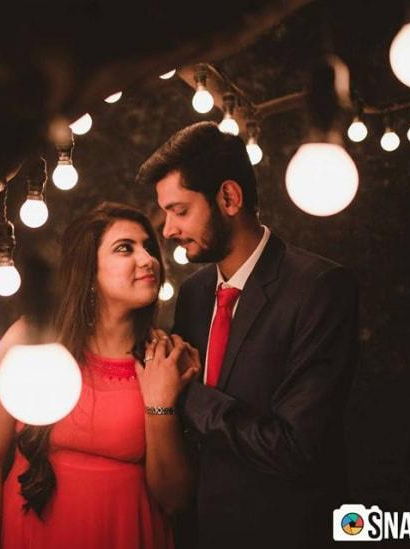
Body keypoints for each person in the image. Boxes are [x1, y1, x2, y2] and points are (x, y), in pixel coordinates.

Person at [136, 122, 359, 548]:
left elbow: (294, 448)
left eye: (179, 210)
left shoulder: (320, 288)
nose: (166, 230)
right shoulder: (194, 294)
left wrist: (186, 393)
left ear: (229, 198)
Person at [0, 202, 201, 549]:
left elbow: (174, 500)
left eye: (150, 247)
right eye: (125, 248)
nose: (148, 259)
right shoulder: (31, 344)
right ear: (88, 271)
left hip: (126, 534)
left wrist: (159, 404)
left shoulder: (164, 358)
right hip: (34, 533)